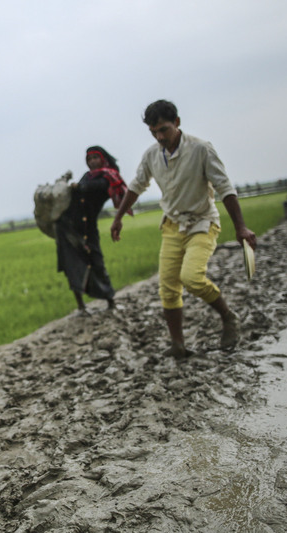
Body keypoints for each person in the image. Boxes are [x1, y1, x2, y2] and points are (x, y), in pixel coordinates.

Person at [109, 100, 257, 358]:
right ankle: (178, 344)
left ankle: (228, 316)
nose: (159, 137)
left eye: (164, 130)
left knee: (192, 278)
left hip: (202, 223)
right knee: (167, 288)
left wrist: (241, 227)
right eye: (154, 132)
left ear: (177, 123)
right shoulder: (152, 155)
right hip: (172, 226)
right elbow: (136, 186)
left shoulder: (201, 149)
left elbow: (225, 188)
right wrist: (118, 217)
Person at [54, 146, 125, 313]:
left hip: (88, 227)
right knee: (72, 265)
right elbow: (81, 189)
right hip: (68, 227)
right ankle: (81, 307)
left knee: (96, 261)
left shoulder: (108, 177)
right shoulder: (87, 177)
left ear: (103, 159)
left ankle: (110, 301)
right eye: (89, 159)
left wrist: (77, 187)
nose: (92, 161)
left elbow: (94, 188)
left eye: (95, 158)